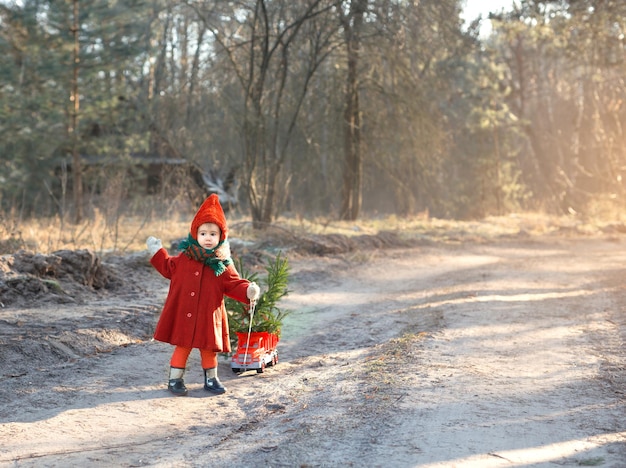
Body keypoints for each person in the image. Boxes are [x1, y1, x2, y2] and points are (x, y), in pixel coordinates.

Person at [146, 194, 260, 396]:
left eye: (213, 234)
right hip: (185, 314)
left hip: (208, 316)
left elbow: (234, 283)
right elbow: (167, 267)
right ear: (195, 234)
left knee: (209, 348)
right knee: (183, 346)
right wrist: (157, 251)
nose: (208, 238)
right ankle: (175, 379)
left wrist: (248, 291)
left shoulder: (222, 263)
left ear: (220, 237)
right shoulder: (184, 259)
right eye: (204, 233)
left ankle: (211, 379)